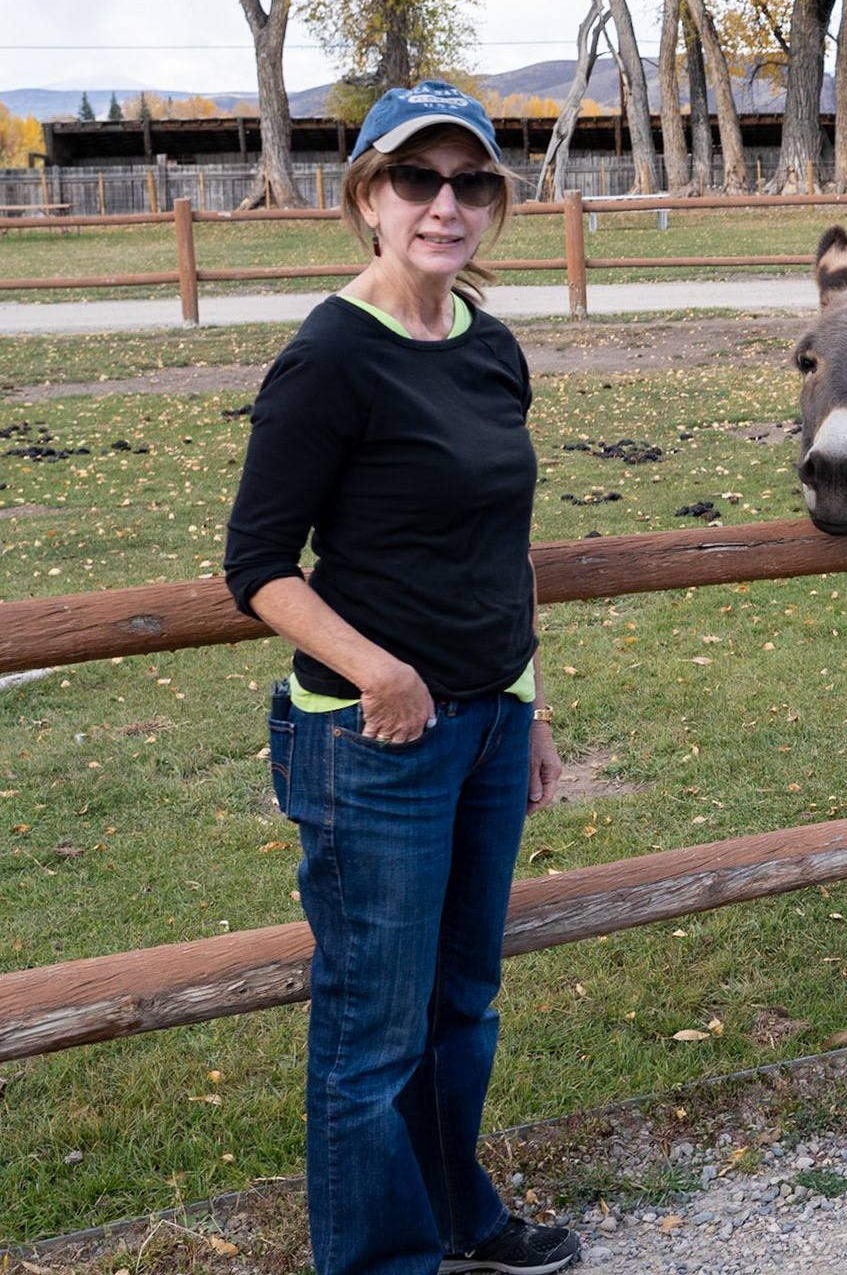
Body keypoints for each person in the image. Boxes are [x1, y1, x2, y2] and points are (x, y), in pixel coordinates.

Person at [222, 81, 579, 1275]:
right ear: (367, 196)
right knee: (372, 1033)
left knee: (461, 1001)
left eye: (470, 183)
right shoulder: (329, 357)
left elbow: (504, 547)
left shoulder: (490, 344)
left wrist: (529, 704)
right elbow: (257, 565)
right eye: (417, 179)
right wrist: (380, 671)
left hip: (489, 727)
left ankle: (456, 1215)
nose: (445, 204)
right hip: (374, 742)